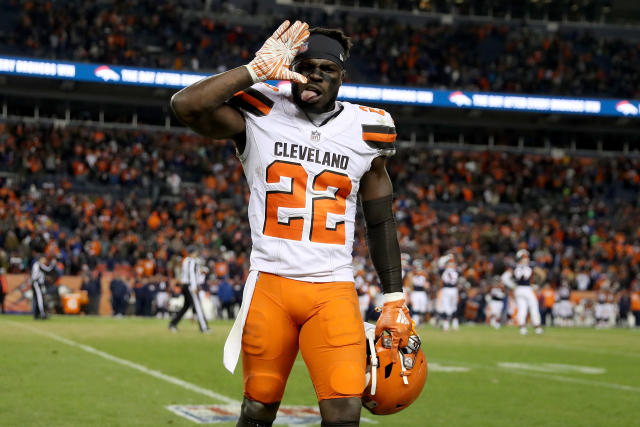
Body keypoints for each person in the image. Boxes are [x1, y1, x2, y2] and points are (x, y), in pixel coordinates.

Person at [170, 20, 414, 426]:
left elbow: (380, 220)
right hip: (271, 284)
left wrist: (394, 298)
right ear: (291, 67)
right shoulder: (263, 108)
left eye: (326, 68)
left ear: (342, 77)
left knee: (344, 413)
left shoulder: (369, 128)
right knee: (258, 406)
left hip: (332, 287)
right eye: (305, 64)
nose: (314, 73)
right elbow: (185, 107)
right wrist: (253, 70)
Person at [168, 246, 209, 332]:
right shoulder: (192, 261)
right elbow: (192, 275)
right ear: (192, 252)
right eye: (195, 252)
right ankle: (204, 327)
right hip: (190, 286)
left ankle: (172, 324)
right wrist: (195, 286)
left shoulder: (186, 260)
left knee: (186, 307)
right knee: (198, 306)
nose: (196, 253)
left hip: (185, 285)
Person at [512, 249, 543, 335]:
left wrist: (512, 285)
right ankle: (537, 327)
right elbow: (542, 274)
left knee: (522, 309)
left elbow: (505, 277)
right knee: (534, 307)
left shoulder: (515, 266)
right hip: (527, 289)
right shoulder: (530, 265)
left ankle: (522, 328)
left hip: (518, 289)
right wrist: (538, 284)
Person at [30, 252, 57, 319]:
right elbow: (48, 270)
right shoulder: (38, 264)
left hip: (38, 283)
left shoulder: (38, 265)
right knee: (39, 299)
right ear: (40, 259)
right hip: (36, 283)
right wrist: (53, 265)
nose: (45, 260)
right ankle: (42, 314)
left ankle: (37, 314)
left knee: (38, 298)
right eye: (43, 259)